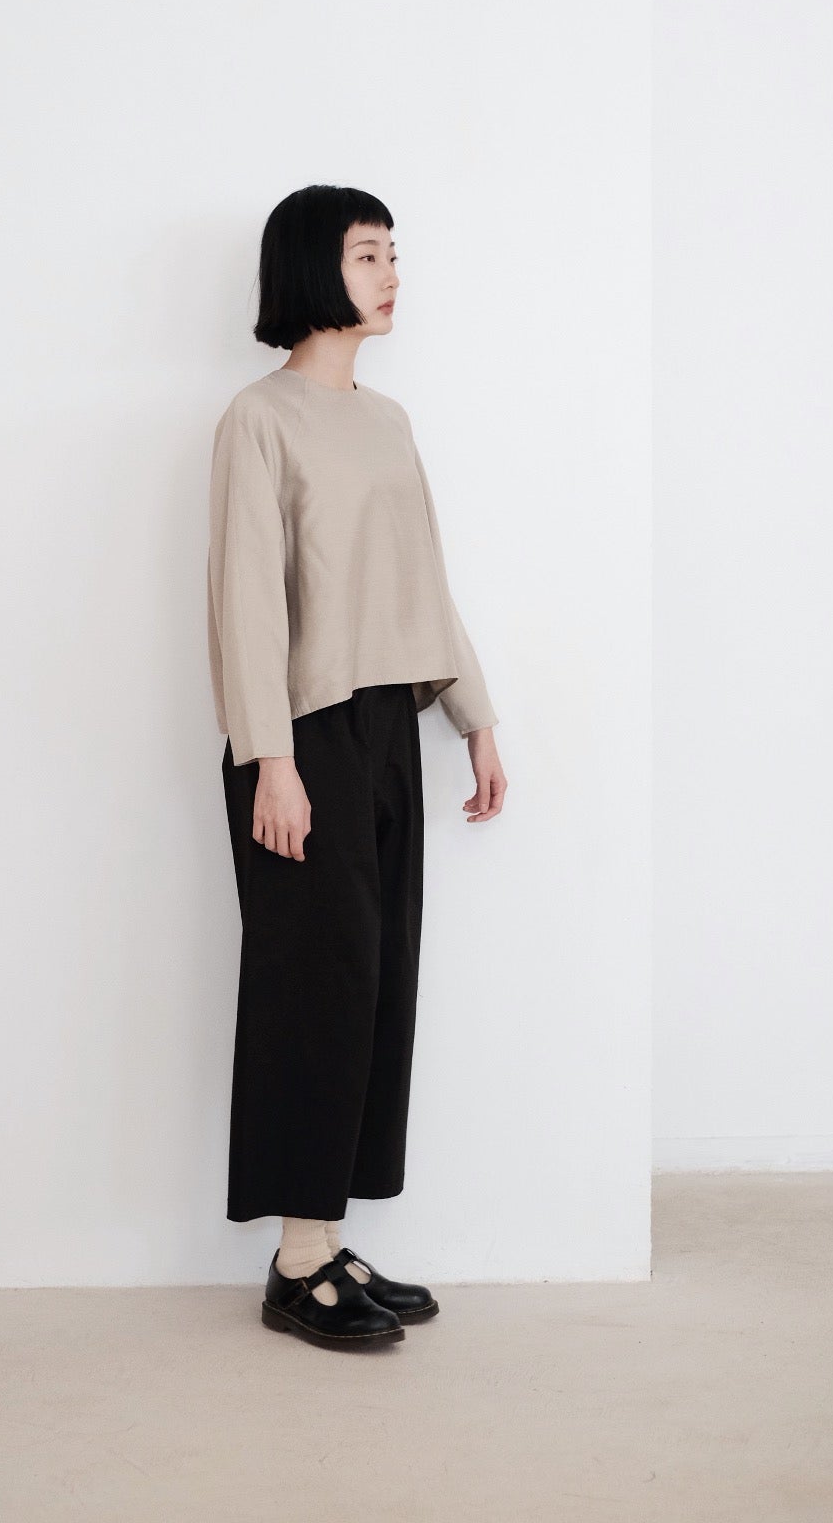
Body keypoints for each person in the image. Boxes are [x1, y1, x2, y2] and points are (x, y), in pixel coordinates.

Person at [207, 184, 507, 1352]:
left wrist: (473, 717)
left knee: (373, 984)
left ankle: (324, 1242)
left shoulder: (385, 422)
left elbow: (421, 580)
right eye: (367, 254)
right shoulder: (258, 417)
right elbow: (243, 598)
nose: (390, 274)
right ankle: (295, 1266)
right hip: (301, 734)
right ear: (310, 269)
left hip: (385, 725)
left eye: (392, 254)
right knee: (313, 987)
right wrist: (269, 760)